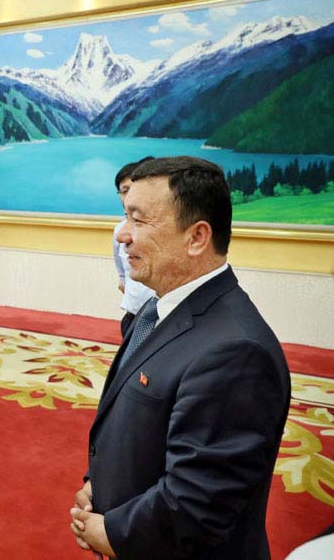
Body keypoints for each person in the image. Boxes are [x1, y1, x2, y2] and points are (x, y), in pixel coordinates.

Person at [70, 156, 291, 559]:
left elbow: (197, 504)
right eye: (125, 216)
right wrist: (98, 485)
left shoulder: (236, 352)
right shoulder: (157, 309)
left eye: (138, 220)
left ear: (196, 237)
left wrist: (112, 532)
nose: (122, 234)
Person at [112, 157, 155, 336]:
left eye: (133, 188)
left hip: (159, 318)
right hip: (132, 317)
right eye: (124, 190)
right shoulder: (119, 231)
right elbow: (122, 273)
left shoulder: (159, 230)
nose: (129, 196)